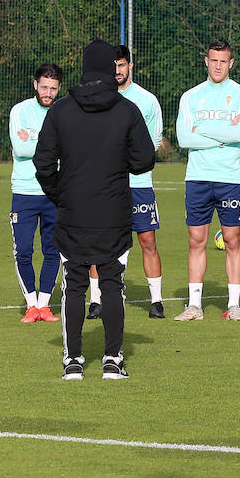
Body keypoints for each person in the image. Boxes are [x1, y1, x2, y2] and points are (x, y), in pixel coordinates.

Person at [35, 39, 156, 380]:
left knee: (74, 284)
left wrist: (60, 194)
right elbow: (145, 158)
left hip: (73, 210)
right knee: (112, 284)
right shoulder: (127, 110)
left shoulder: (61, 110)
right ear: (110, 71)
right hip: (113, 211)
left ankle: (72, 361)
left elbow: (43, 163)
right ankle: (112, 361)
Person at [174, 39, 240, 322]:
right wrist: (221, 134)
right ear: (206, 61)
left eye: (223, 61)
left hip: (230, 178)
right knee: (196, 240)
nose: (218, 65)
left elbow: (239, 133)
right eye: (213, 60)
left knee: (232, 239)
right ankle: (194, 306)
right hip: (197, 177)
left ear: (231, 63)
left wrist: (203, 130)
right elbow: (184, 138)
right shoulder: (191, 97)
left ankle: (234, 305)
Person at [94, 45, 165, 319]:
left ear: (130, 66)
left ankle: (156, 301)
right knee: (100, 242)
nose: (118, 71)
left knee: (147, 240)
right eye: (114, 66)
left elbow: (155, 142)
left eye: (122, 65)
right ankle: (97, 299)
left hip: (139, 184)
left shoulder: (146, 100)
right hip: (108, 185)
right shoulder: (100, 98)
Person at [9, 64, 64, 322]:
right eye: (44, 87)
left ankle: (44, 305)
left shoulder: (66, 113)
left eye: (53, 88)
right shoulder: (19, 111)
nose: (48, 92)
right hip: (25, 191)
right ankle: (31, 304)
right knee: (24, 251)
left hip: (56, 191)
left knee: (53, 250)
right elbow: (20, 148)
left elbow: (71, 150)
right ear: (35, 85)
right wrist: (54, 145)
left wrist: (36, 140)